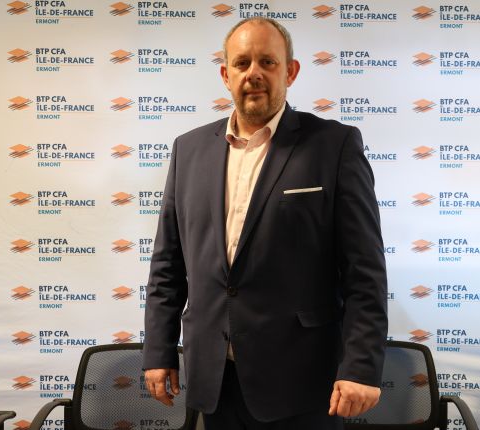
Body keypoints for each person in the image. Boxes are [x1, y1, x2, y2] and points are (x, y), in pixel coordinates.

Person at [142, 17, 388, 430]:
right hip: (215, 380)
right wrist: (158, 350)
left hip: (302, 381)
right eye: (241, 63)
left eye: (267, 62)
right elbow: (167, 265)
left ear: (290, 71)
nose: (253, 73)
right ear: (226, 75)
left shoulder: (334, 145)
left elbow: (365, 270)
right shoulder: (188, 150)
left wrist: (361, 366)